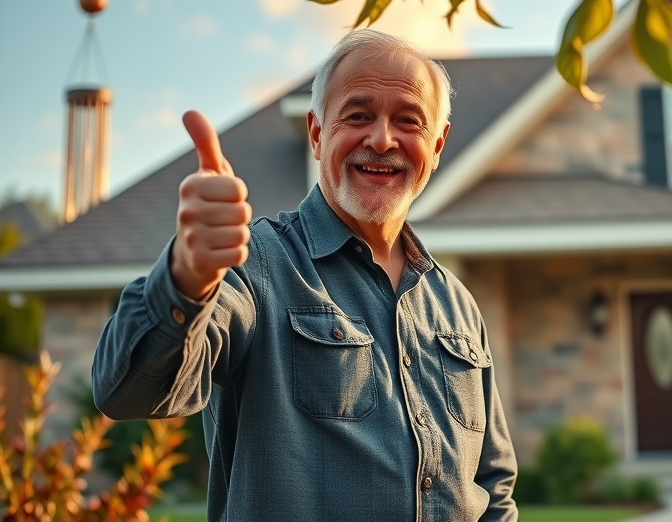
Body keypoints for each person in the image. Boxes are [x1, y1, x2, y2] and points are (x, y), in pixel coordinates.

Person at [91, 30, 518, 522]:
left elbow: (492, 486)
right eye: (358, 116)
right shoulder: (254, 266)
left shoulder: (457, 304)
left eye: (408, 121)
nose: (382, 139)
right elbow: (127, 390)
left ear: (437, 145)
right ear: (316, 134)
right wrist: (187, 276)